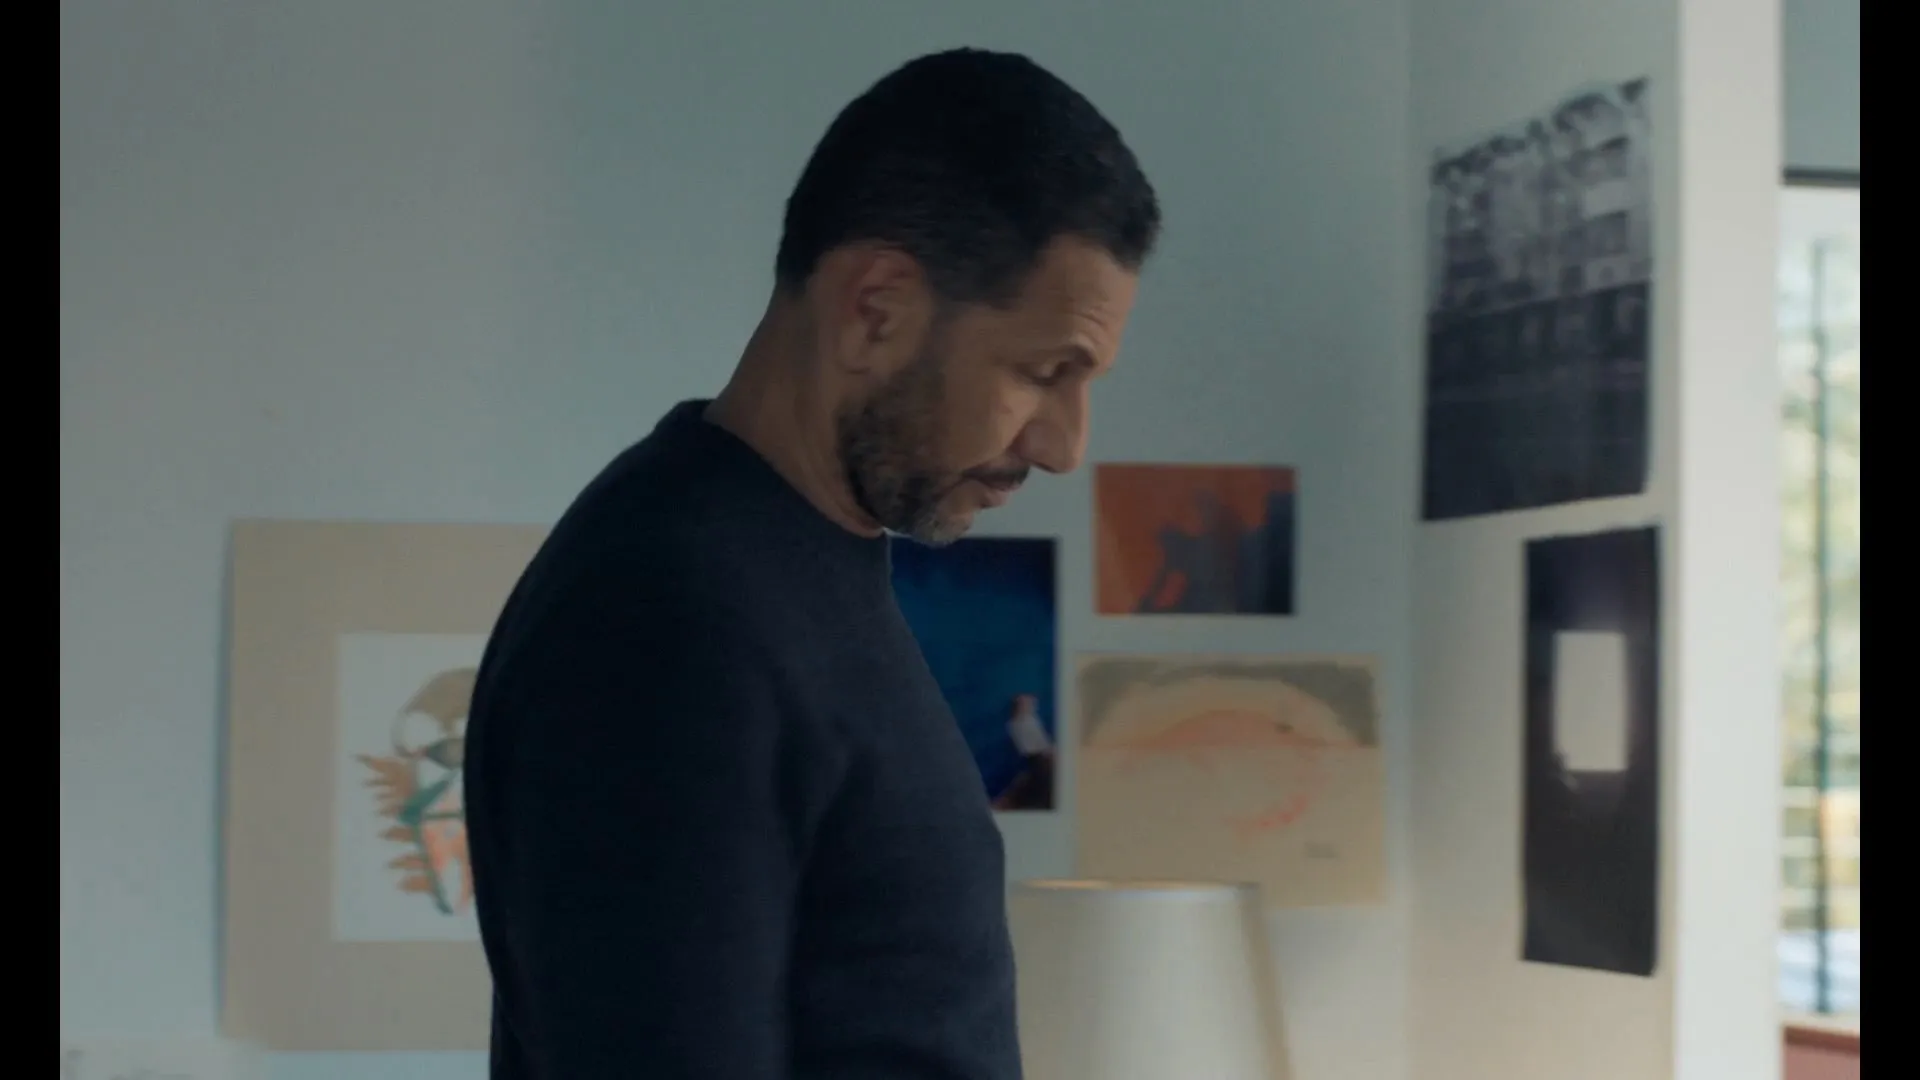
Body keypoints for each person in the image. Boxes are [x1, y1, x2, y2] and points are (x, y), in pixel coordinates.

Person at [462, 47, 1160, 1079]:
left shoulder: (790, 569)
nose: (1066, 445)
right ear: (876, 309)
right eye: (1044, 371)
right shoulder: (671, 618)